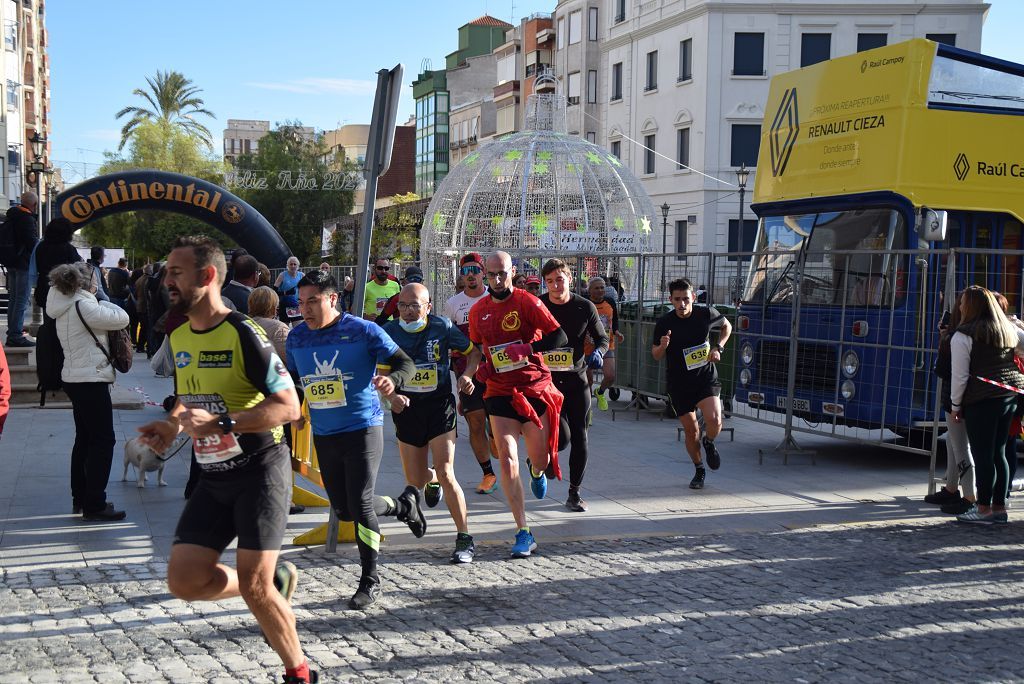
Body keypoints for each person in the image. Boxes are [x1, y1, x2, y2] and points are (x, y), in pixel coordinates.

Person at [136, 236, 317, 684]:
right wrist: (172, 424)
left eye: (176, 272)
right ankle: (273, 585)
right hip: (212, 475)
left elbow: (288, 407)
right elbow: (187, 398)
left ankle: (300, 673)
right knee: (184, 580)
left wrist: (222, 423)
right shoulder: (178, 335)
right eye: (167, 272)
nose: (166, 280)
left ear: (207, 276)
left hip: (260, 471)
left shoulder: (243, 331)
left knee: (253, 583)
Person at [285, 269, 426, 609]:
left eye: (313, 301)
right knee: (344, 509)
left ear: (332, 299)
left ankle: (370, 579)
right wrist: (292, 409)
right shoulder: (296, 338)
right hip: (324, 432)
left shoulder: (362, 330)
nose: (306, 309)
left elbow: (403, 363)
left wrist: (394, 384)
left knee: (360, 505)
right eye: (301, 302)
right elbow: (293, 379)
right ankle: (402, 505)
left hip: (363, 427)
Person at [468, 250, 567, 557]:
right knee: (507, 459)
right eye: (492, 274)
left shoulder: (527, 302)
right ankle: (523, 531)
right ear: (486, 274)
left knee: (540, 461)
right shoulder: (478, 311)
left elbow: (559, 337)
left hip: (533, 387)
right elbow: (477, 350)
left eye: (503, 274)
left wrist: (528, 347)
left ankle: (536, 470)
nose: (497, 280)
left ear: (512, 272)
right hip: (499, 392)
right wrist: (474, 371)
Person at [382, 282, 481, 563]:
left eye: (415, 306)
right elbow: (380, 373)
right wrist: (391, 396)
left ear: (428, 307)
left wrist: (468, 376)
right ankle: (432, 477)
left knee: (447, 471)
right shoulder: (388, 333)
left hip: (439, 405)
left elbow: (474, 353)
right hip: (407, 409)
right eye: (403, 305)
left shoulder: (443, 327)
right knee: (415, 480)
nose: (409, 311)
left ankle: (464, 537)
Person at [46, 262, 130, 521]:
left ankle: (80, 494)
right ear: (85, 283)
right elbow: (123, 318)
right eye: (95, 280)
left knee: (84, 438)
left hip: (74, 377)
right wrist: (102, 298)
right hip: (90, 379)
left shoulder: (62, 304)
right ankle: (95, 503)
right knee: (104, 440)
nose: (98, 284)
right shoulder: (86, 305)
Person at [950, 286, 1024, 524]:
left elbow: (959, 376)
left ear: (970, 306)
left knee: (983, 455)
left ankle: (983, 509)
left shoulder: (962, 335)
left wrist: (955, 406)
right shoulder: (1007, 329)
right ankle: (999, 507)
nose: (959, 306)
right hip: (1008, 398)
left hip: (981, 400)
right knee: (999, 453)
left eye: (962, 303)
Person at [540, 259, 608, 512]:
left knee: (580, 436)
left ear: (569, 278)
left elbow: (602, 336)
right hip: (546, 383)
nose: (556, 286)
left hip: (576, 378)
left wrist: (600, 351)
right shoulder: (540, 305)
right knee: (562, 439)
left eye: (560, 279)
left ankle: (574, 492)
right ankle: (539, 459)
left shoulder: (584, 306)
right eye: (550, 281)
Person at [652, 278, 732, 490]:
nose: (682, 304)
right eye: (677, 300)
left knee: (714, 419)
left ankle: (709, 442)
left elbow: (727, 327)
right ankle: (699, 469)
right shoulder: (664, 323)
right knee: (691, 431)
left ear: (693, 297)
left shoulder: (705, 314)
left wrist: (718, 348)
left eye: (686, 299)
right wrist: (662, 346)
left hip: (705, 377)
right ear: (670, 300)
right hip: (678, 383)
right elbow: (656, 355)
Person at [443, 252, 500, 495]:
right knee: (475, 422)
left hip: (497, 369)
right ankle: (488, 474)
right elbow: (448, 337)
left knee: (497, 423)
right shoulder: (453, 304)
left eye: (475, 270)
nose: (470, 276)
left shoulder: (495, 297)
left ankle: (496, 438)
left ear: (483, 272)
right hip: (466, 370)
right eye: (465, 272)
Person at [926, 292, 976, 515]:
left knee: (961, 446)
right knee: (953, 443)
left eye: (962, 303)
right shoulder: (964, 332)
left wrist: (943, 338)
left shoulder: (961, 335)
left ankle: (968, 496)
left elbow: (944, 370)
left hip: (959, 398)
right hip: (959, 397)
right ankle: (952, 488)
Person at [6, 191, 39, 347]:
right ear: (34, 205)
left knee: (14, 299)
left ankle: (12, 332)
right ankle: (15, 335)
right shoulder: (26, 219)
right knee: (21, 300)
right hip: (23, 264)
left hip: (11, 262)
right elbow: (32, 243)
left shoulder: (12, 215)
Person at [33, 217, 82, 319]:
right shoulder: (69, 249)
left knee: (48, 320)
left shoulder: (40, 247)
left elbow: (36, 266)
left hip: (44, 288)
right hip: (64, 290)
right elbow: (77, 269)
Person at [587, 277, 623, 411]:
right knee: (588, 381)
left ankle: (600, 392)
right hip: (587, 346)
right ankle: (588, 411)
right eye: (597, 288)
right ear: (589, 290)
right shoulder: (585, 303)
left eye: (602, 287)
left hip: (606, 344)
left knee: (610, 376)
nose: (600, 290)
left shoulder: (610, 302)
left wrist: (617, 331)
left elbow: (615, 320)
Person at [362, 257, 401, 321]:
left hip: (389, 327)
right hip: (373, 327)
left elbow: (399, 307)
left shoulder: (395, 285)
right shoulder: (366, 287)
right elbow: (355, 308)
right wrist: (365, 316)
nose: (383, 271)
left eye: (386, 268)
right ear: (375, 269)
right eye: (380, 268)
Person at [274, 256, 305, 323]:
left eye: (294, 264)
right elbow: (274, 291)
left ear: (298, 265)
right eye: (291, 264)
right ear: (287, 265)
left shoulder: (302, 275)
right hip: (284, 305)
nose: (293, 266)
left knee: (297, 327)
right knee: (285, 328)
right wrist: (286, 293)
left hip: (296, 305)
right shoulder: (282, 275)